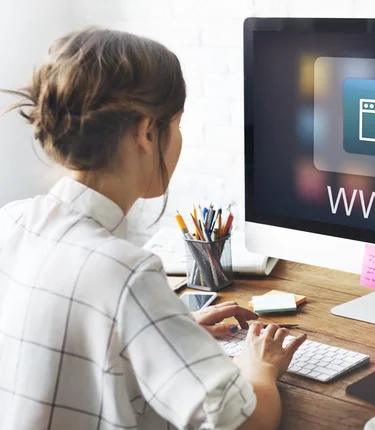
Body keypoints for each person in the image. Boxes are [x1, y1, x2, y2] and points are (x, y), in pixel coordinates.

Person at [0, 27, 306, 430]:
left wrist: (165, 329)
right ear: (146, 132)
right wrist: (259, 366)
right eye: (176, 124)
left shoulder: (11, 220)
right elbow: (246, 422)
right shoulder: (126, 273)